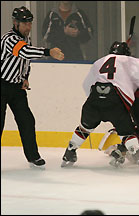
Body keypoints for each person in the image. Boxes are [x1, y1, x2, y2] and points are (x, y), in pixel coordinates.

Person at [60, 41, 139, 168]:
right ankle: (138, 158)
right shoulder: (130, 61)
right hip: (116, 102)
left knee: (84, 128)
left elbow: (86, 85)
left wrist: (99, 101)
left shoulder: (99, 62)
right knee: (127, 133)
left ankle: (70, 152)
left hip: (93, 101)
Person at [1, 6, 64, 169]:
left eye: (30, 23)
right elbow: (25, 52)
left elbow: (25, 61)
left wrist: (25, 77)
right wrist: (49, 51)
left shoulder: (25, 39)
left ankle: (33, 157)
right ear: (15, 23)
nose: (28, 27)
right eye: (25, 24)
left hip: (16, 88)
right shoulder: (9, 39)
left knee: (27, 121)